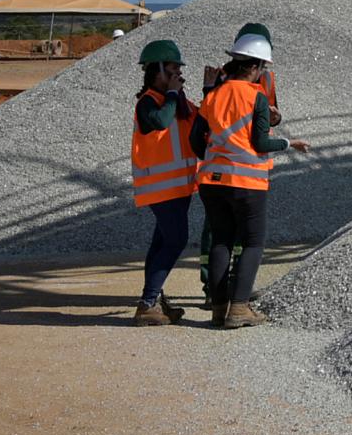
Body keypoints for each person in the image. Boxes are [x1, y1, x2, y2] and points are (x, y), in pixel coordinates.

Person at [190, 22, 308, 328]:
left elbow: (195, 140)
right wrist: (289, 143)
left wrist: (216, 156)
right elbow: (260, 142)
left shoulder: (212, 95)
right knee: (253, 243)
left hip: (211, 181)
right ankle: (239, 308)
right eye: (261, 67)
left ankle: (218, 308)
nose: (262, 73)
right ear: (254, 66)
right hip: (246, 183)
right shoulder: (254, 96)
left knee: (220, 242)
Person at [194, 22, 282, 299]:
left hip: (220, 172)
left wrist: (273, 117)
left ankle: (228, 294)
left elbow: (201, 131)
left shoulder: (261, 81)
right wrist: (288, 143)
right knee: (244, 237)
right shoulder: (221, 81)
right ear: (258, 62)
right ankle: (223, 293)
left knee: (225, 237)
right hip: (246, 172)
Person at [130, 39, 197, 326]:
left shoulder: (176, 101)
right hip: (160, 188)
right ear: (156, 71)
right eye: (172, 69)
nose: (178, 75)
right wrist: (172, 94)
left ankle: (153, 300)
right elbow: (158, 123)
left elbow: (200, 118)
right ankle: (147, 303)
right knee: (176, 240)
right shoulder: (148, 102)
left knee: (161, 243)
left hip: (179, 187)